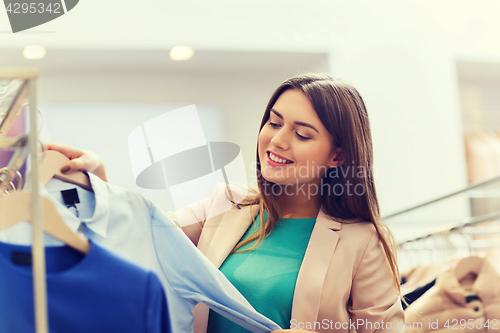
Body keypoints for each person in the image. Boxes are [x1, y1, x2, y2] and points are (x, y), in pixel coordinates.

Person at [46, 73, 404, 333]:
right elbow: (142, 234)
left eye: (301, 133)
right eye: (273, 123)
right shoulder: (227, 204)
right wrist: (100, 178)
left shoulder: (362, 240)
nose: (277, 141)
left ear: (338, 156)